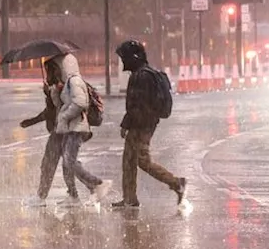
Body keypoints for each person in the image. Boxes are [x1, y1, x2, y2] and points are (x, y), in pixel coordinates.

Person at [21, 55, 110, 206]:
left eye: (50, 70)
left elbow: (79, 103)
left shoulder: (74, 82)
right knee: (52, 162)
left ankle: (96, 184)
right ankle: (67, 195)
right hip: (62, 129)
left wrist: (63, 117)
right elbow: (55, 109)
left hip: (73, 128)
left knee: (69, 161)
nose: (48, 73)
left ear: (59, 69)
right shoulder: (61, 86)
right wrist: (51, 93)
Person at [112, 40, 186, 208]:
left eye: (125, 57)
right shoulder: (141, 74)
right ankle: (129, 198)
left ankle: (176, 183)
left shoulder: (142, 76)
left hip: (141, 126)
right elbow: (134, 106)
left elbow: (138, 106)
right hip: (141, 124)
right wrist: (127, 123)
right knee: (129, 161)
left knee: (142, 160)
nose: (123, 61)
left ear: (134, 57)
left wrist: (130, 124)